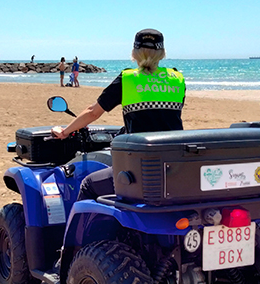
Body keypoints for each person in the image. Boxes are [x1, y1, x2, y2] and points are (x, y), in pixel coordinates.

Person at [52, 29, 185, 200]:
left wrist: (65, 132)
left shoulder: (128, 79)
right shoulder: (177, 79)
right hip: (175, 165)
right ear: (162, 53)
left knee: (88, 185)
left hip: (141, 168)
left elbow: (93, 112)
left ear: (134, 53)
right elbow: (162, 116)